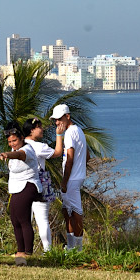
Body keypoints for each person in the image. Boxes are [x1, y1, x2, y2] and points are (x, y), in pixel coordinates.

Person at [0, 123, 43, 265]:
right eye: (10, 142)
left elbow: (19, 155)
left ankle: (27, 253)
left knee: (23, 219)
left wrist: (7, 154)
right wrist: (9, 152)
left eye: (15, 141)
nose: (12, 144)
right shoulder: (14, 148)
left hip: (28, 185)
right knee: (15, 220)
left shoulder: (27, 149)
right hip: (16, 187)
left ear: (22, 138)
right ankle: (20, 251)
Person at [52, 104, 89, 250]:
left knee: (75, 212)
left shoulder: (69, 134)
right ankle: (71, 246)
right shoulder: (79, 130)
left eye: (59, 119)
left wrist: (65, 181)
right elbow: (87, 155)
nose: (57, 122)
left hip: (72, 179)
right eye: (55, 120)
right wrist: (80, 170)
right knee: (67, 211)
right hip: (77, 177)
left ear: (67, 116)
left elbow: (69, 159)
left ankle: (77, 248)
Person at [24, 118, 62, 253]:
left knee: (25, 220)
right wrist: (59, 134)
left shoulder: (20, 146)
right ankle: (48, 251)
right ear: (32, 130)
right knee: (42, 220)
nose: (42, 129)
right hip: (39, 182)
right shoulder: (39, 146)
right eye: (39, 127)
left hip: (23, 184)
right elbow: (57, 152)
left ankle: (25, 250)